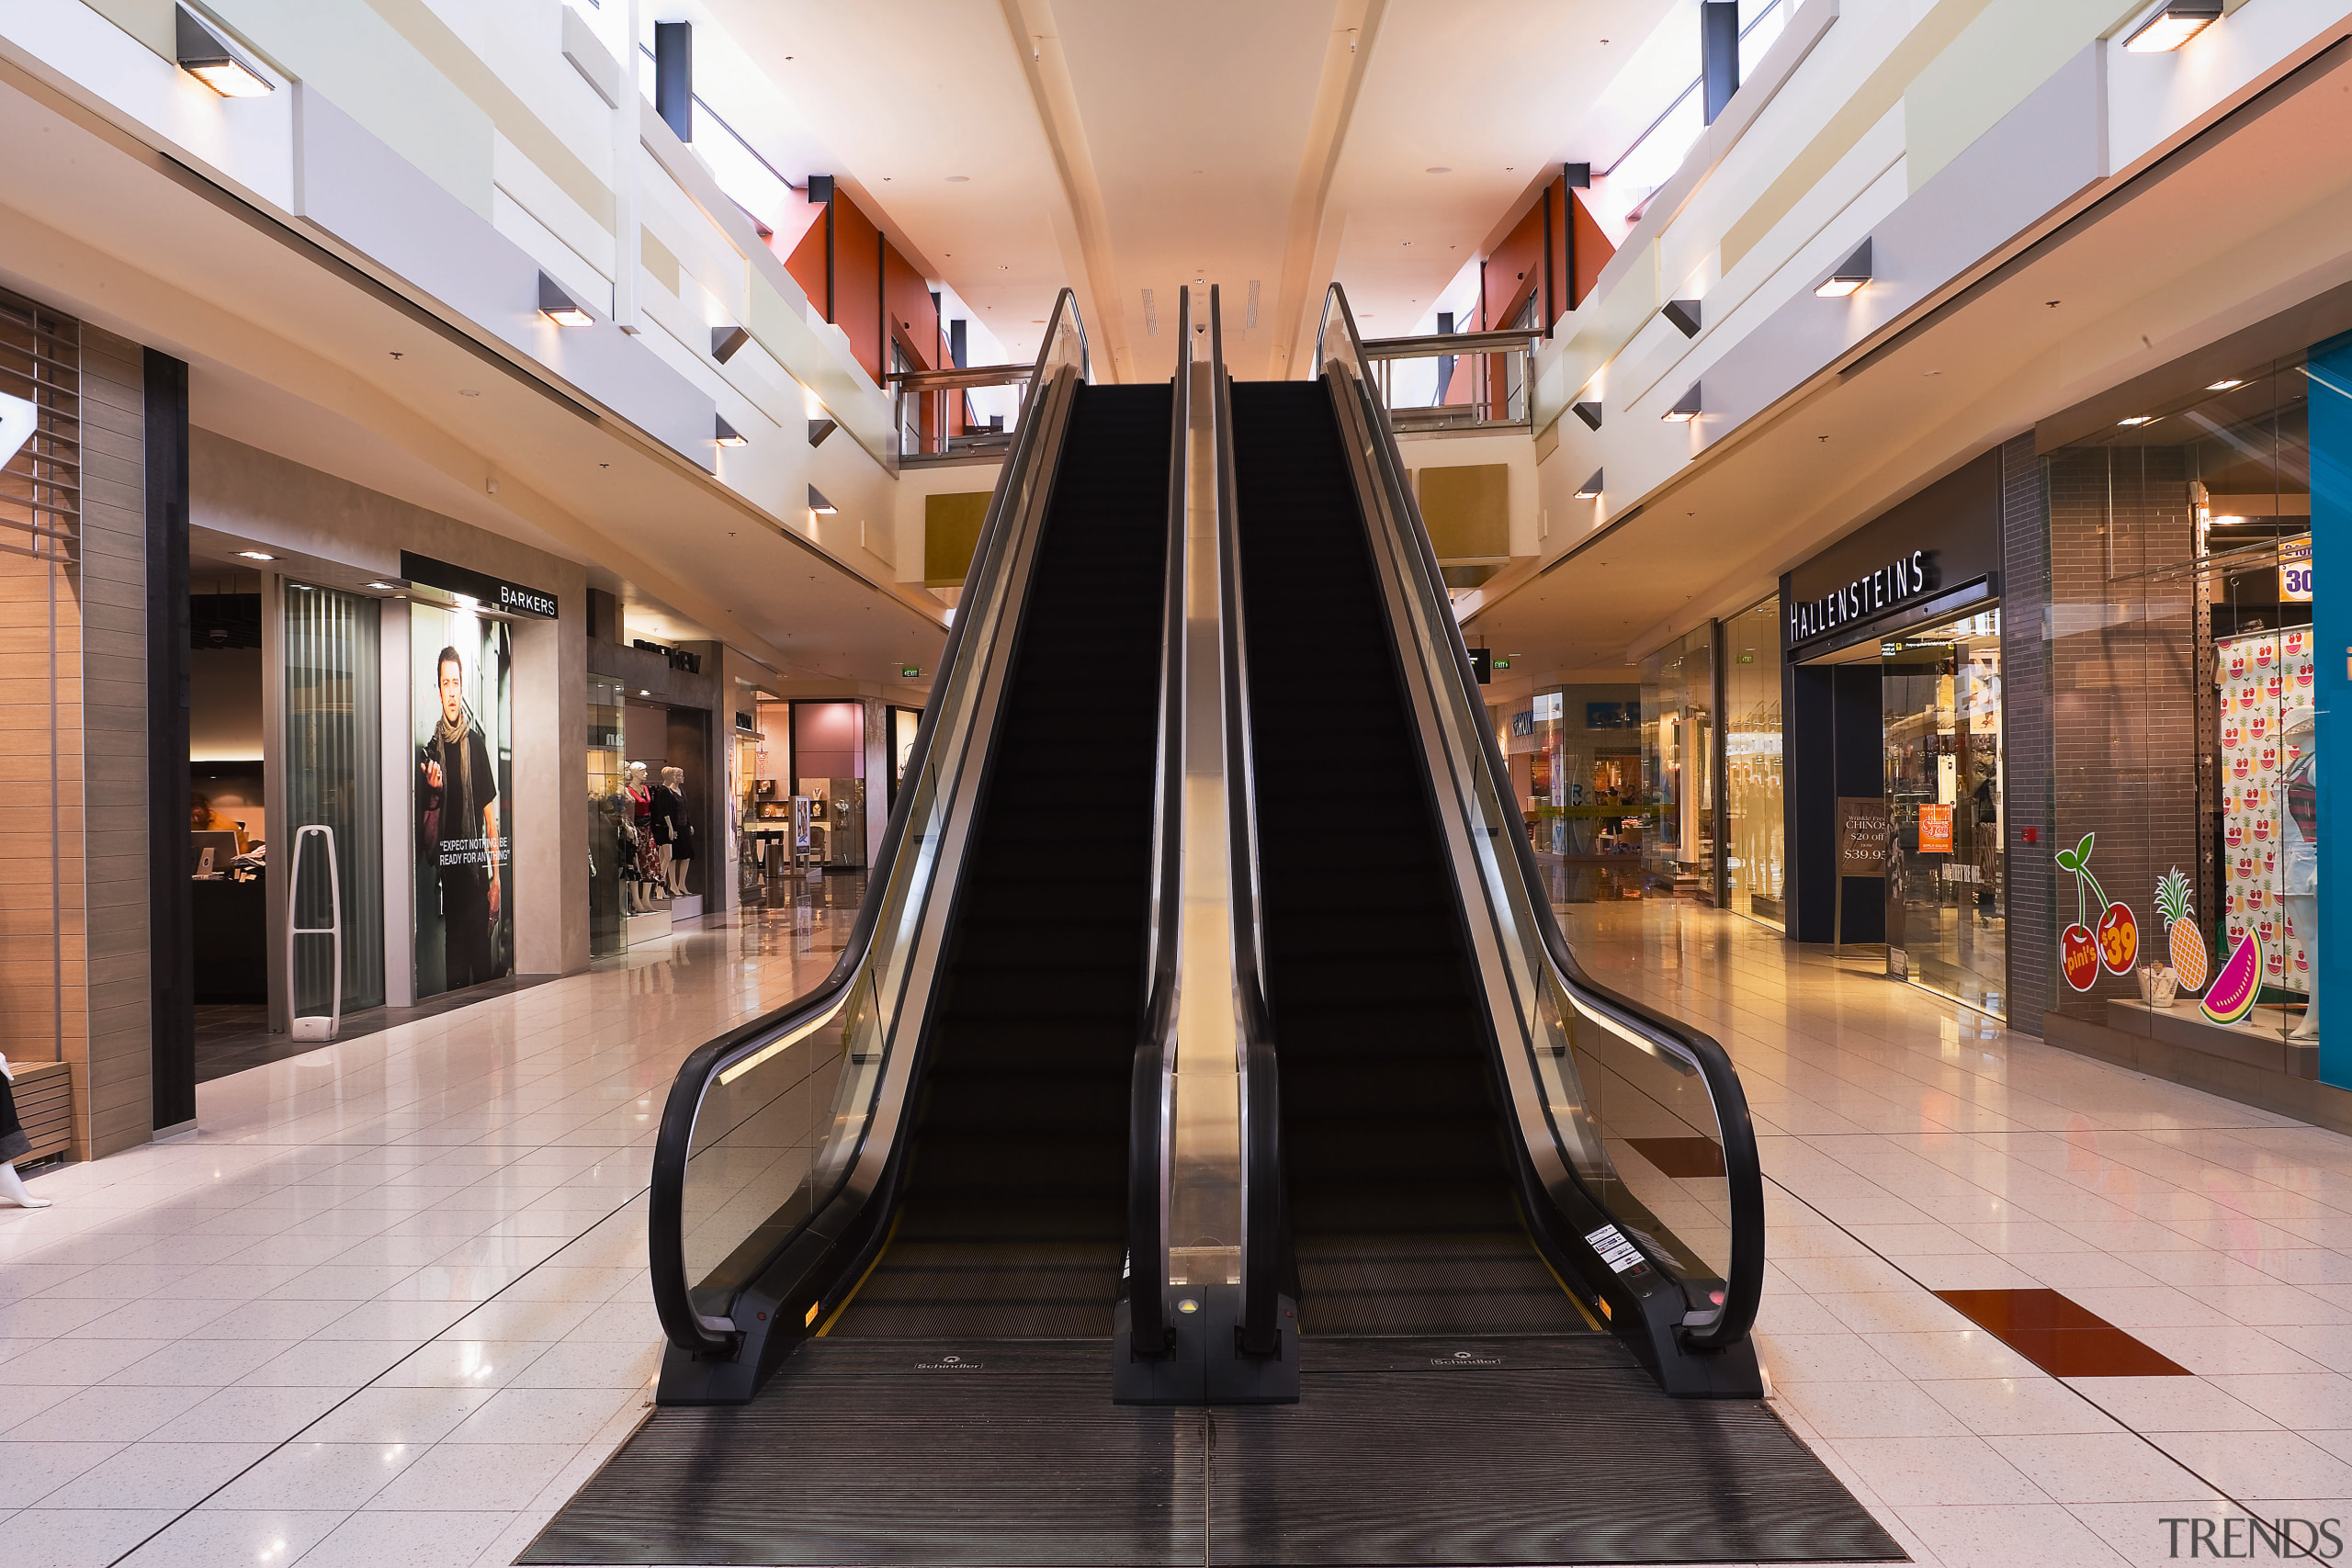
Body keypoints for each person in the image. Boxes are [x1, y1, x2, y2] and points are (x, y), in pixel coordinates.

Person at [419, 644, 503, 989]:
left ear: (462, 686)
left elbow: (490, 821)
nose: (451, 692)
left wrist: (496, 879)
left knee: (482, 963)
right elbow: (426, 838)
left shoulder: (477, 745)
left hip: (475, 874)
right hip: (449, 878)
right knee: (454, 965)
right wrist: (434, 794)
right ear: (438, 690)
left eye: (456, 683)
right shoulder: (431, 752)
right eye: (445, 683)